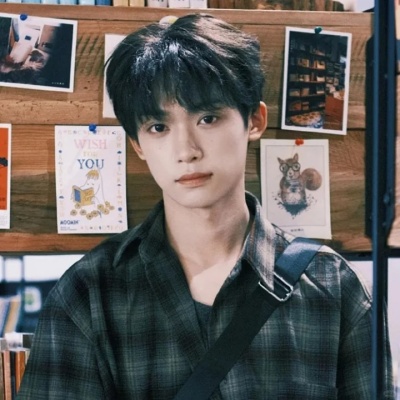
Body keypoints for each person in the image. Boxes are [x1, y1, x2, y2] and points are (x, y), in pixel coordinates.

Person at [18, 13, 394, 399]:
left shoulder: (334, 287)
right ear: (137, 145)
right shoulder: (88, 294)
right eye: (158, 127)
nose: (186, 151)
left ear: (254, 120)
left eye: (208, 118)